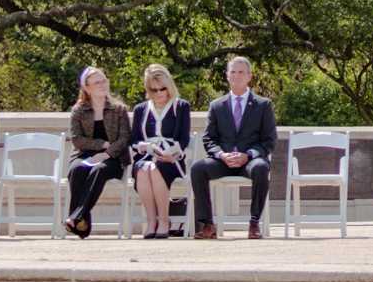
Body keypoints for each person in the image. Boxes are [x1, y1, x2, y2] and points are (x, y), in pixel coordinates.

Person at [193, 55, 277, 240]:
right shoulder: (216, 106)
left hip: (250, 161)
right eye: (233, 72)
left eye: (241, 72)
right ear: (227, 76)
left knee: (262, 167)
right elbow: (208, 139)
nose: (237, 76)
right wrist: (221, 155)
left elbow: (269, 140)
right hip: (224, 160)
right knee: (198, 168)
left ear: (249, 76)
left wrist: (248, 155)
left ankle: (254, 223)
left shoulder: (263, 105)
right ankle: (207, 224)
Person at [63, 67, 132, 239]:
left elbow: (124, 138)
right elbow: (77, 139)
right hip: (84, 155)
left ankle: (76, 217)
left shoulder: (119, 109)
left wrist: (107, 151)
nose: (102, 85)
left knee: (99, 169)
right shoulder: (79, 110)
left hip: (113, 158)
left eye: (104, 81)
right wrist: (101, 144)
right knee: (77, 170)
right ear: (87, 87)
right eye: (97, 82)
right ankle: (82, 222)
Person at [129, 64, 191, 239]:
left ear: (169, 85)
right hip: (147, 155)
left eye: (162, 89)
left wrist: (171, 153)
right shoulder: (141, 109)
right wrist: (147, 147)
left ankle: (164, 220)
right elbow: (133, 140)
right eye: (153, 90)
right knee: (143, 169)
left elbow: (183, 139)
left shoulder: (181, 106)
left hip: (172, 159)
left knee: (155, 169)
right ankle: (151, 221)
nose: (159, 93)